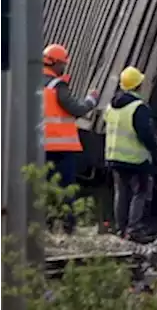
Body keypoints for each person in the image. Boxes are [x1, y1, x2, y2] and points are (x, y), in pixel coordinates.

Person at [41, 43, 100, 231]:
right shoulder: (57, 86)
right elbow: (77, 109)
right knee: (66, 187)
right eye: (63, 64)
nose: (64, 67)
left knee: (43, 186)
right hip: (61, 147)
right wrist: (92, 99)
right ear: (56, 63)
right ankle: (68, 226)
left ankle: (45, 223)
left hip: (39, 145)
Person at [105, 66, 157, 241]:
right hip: (135, 159)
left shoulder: (112, 106)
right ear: (138, 86)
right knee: (141, 192)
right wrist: (155, 153)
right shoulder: (138, 108)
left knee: (121, 193)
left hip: (114, 157)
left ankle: (120, 229)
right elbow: (145, 134)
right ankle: (134, 229)